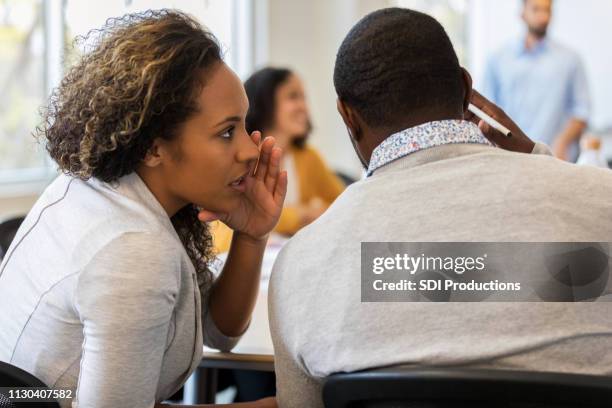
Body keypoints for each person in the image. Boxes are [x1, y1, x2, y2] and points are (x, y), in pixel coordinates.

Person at [268, 8, 612, 407]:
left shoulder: (300, 264)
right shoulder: (602, 200)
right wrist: (543, 161)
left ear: (348, 114)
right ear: (466, 88)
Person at [0, 10, 282, 408]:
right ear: (153, 147)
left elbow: (220, 330)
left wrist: (251, 234)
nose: (252, 150)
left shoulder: (94, 188)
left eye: (243, 125)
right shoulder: (133, 250)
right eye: (225, 132)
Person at [212, 68, 345, 253]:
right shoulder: (242, 159)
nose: (304, 107)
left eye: (304, 97)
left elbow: (343, 206)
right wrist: (300, 214)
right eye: (293, 96)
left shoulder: (308, 157)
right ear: (266, 102)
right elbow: (223, 236)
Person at [482, 0, 590, 162]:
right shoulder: (497, 59)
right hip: (510, 158)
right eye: (536, 9)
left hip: (556, 160)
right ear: (522, 13)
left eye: (547, 11)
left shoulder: (570, 60)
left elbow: (581, 112)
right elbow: (486, 110)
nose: (543, 16)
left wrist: (563, 141)